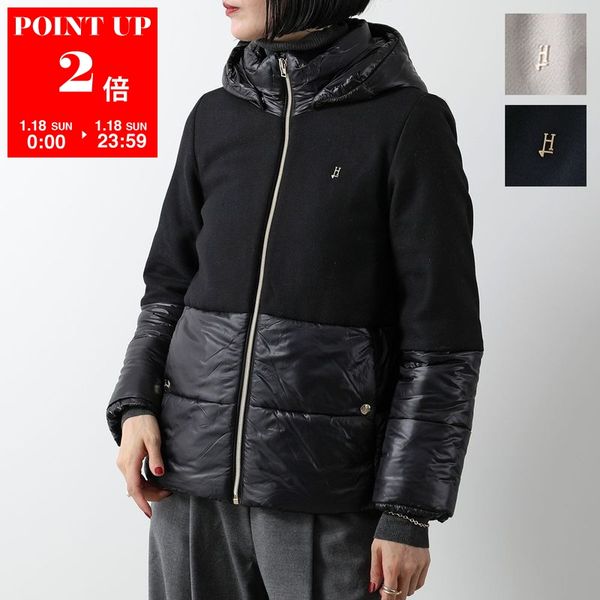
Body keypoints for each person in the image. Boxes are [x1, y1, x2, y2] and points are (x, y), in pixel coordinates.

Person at [106, 1, 484, 598]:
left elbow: (442, 339)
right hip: (188, 483)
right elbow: (167, 288)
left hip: (325, 495)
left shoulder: (408, 122)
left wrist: (408, 511)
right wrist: (135, 405)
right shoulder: (214, 117)